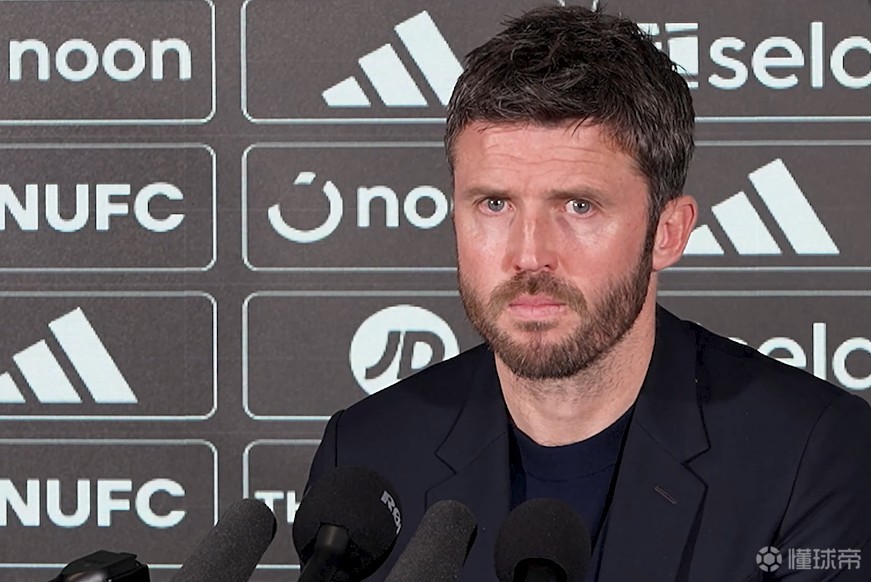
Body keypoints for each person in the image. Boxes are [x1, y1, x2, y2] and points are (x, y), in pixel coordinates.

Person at [304, 6, 871, 581]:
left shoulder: (810, 456)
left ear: (668, 232)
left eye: (579, 206)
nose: (529, 254)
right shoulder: (367, 458)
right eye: (494, 204)